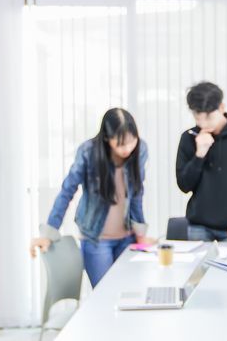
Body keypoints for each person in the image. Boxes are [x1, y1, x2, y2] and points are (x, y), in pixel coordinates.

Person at [30, 108, 152, 288]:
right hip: (96, 239)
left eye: (131, 141)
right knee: (104, 295)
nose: (127, 148)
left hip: (127, 238)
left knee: (128, 292)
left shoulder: (140, 150)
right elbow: (67, 191)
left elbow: (136, 194)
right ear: (106, 138)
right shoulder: (88, 152)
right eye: (120, 144)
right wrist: (49, 232)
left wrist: (140, 233)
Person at [176, 81, 227, 246]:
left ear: (221, 107)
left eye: (209, 117)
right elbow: (184, 185)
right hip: (197, 227)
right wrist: (199, 154)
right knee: (197, 272)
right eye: (197, 118)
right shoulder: (189, 137)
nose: (203, 124)